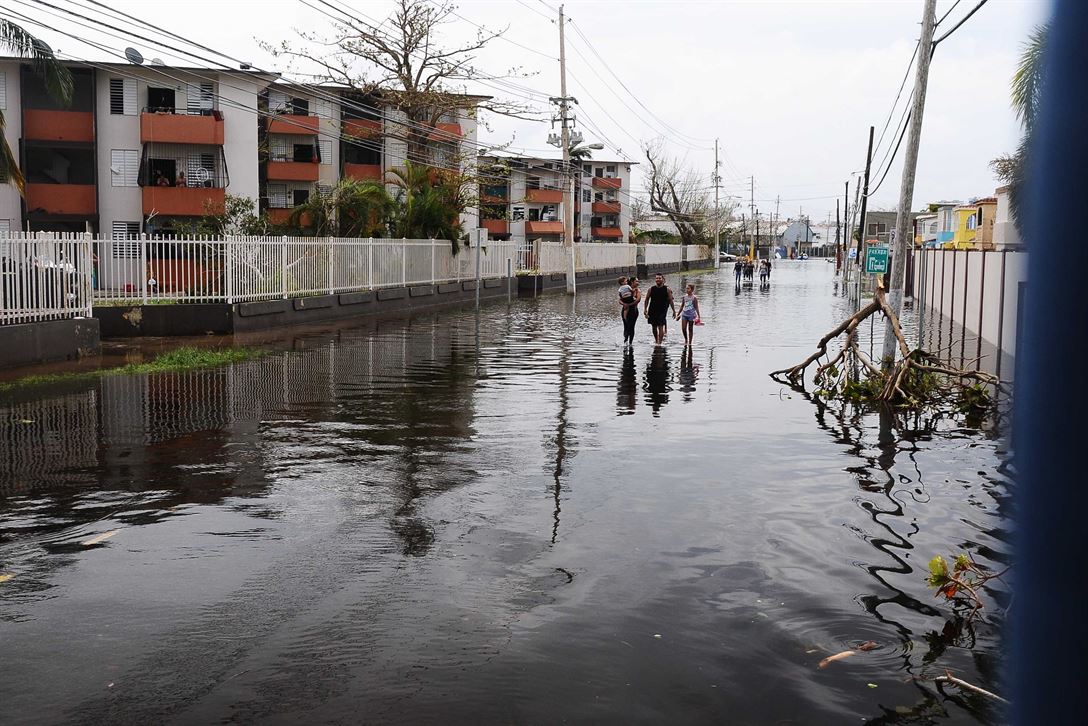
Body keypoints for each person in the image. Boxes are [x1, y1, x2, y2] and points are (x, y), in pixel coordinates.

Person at [643, 273, 676, 345]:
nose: (658, 279)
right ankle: (656, 340)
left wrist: (674, 311)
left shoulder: (667, 289)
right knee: (654, 326)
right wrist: (645, 309)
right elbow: (646, 299)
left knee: (661, 326)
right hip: (652, 309)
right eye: (656, 278)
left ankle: (659, 343)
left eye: (659, 278)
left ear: (662, 279)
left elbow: (670, 300)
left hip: (662, 310)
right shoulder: (651, 289)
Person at [622, 277, 641, 346]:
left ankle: (630, 343)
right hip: (625, 310)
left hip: (634, 311)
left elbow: (638, 300)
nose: (638, 283)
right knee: (626, 326)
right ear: (632, 282)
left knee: (632, 326)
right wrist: (624, 304)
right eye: (636, 281)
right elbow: (620, 299)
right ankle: (625, 341)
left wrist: (629, 304)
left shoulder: (638, 291)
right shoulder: (626, 289)